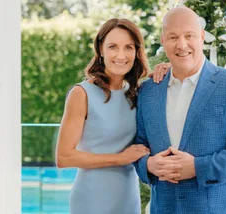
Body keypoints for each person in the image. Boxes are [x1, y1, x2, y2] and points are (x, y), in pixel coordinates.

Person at [134, 6, 226, 214]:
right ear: (163, 40)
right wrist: (148, 165)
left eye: (189, 35)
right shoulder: (148, 91)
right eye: (173, 37)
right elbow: (138, 145)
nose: (182, 44)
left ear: (202, 37)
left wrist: (197, 167)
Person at [55, 18, 169, 214]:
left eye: (128, 48)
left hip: (128, 198)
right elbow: (64, 157)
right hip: (91, 199)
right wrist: (121, 158)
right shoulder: (81, 94)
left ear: (136, 52)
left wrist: (168, 70)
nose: (121, 55)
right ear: (101, 49)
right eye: (113, 47)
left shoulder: (137, 92)